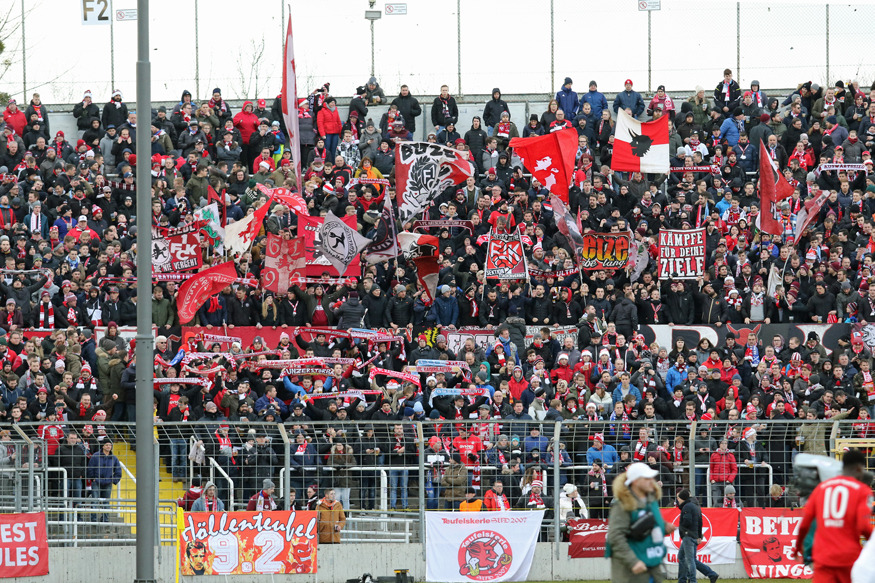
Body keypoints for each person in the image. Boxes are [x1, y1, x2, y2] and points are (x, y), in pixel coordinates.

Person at [796, 449, 873, 583]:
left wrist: (797, 547)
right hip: (849, 557)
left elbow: (805, 524)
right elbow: (864, 526)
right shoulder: (862, 490)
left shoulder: (822, 487)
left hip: (823, 557)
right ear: (860, 468)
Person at [606, 462, 675, 583]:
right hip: (632, 571)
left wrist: (663, 526)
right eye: (647, 478)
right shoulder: (623, 504)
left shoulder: (650, 500)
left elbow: (647, 524)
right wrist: (633, 561)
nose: (651, 481)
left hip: (651, 563)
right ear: (636, 481)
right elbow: (615, 537)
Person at [676, 489, 719, 583]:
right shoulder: (695, 505)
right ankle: (711, 574)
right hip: (694, 535)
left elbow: (687, 521)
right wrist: (699, 535)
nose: (677, 500)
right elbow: (700, 521)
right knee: (683, 557)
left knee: (689, 560)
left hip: (688, 536)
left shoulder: (687, 507)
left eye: (678, 498)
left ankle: (692, 580)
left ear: (683, 498)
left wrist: (681, 528)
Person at [87, 440, 121, 522]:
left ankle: (105, 519)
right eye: (107, 445)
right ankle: (93, 519)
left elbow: (118, 471)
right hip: (96, 482)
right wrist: (92, 478)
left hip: (108, 483)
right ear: (103, 446)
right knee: (95, 501)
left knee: (106, 502)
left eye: (110, 445)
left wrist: (113, 480)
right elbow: (90, 468)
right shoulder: (95, 456)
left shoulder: (114, 458)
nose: (108, 446)